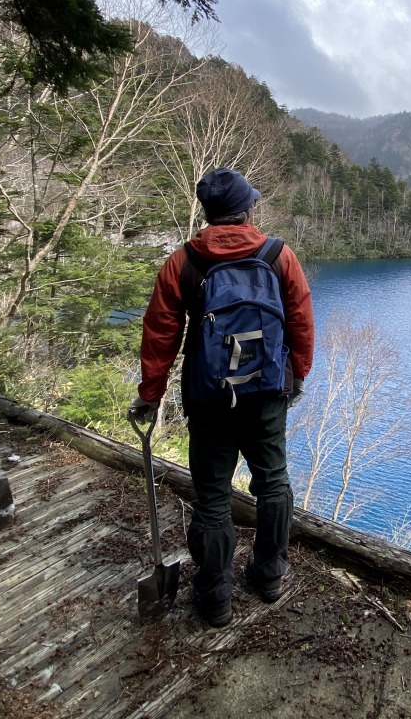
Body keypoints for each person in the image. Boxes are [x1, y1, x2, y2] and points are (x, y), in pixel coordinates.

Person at [130, 168, 314, 627]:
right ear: (247, 209)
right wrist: (298, 377)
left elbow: (160, 336)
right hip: (268, 391)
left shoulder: (183, 262)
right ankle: (269, 575)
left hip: (209, 397)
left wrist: (150, 395)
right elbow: (301, 322)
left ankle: (215, 598)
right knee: (273, 481)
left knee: (212, 496)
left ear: (209, 213)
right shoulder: (278, 255)